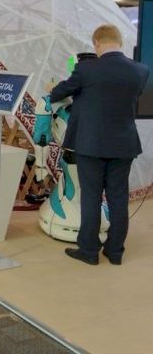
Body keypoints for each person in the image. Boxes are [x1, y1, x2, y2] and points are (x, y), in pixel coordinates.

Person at [48, 24, 149, 266]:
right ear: (120, 42)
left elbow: (59, 93)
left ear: (96, 42)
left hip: (90, 145)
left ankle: (89, 250)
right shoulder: (141, 70)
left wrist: (52, 88)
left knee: (91, 197)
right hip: (124, 145)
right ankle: (115, 252)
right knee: (118, 198)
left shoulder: (86, 69)